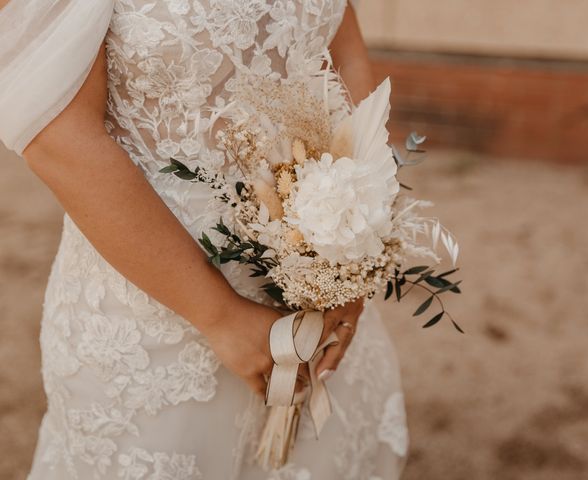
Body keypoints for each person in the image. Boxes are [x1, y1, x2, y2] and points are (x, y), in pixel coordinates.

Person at [0, 1, 408, 478]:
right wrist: (220, 316)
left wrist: (354, 257)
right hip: (156, 320)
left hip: (315, 286)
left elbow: (343, 53)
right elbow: (57, 136)